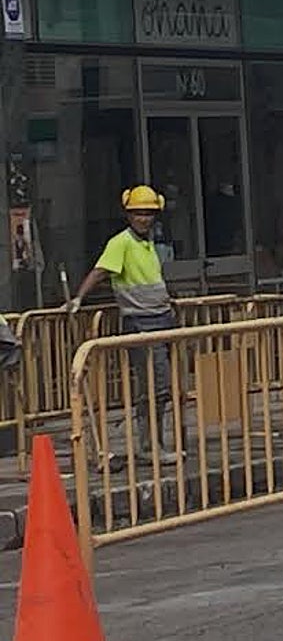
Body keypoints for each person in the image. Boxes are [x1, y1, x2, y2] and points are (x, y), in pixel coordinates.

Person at [67, 185, 179, 464]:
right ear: (128, 214)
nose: (144, 218)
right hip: (141, 323)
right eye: (138, 213)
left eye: (149, 213)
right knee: (154, 386)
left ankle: (155, 444)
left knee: (163, 388)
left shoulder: (149, 244)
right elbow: (100, 271)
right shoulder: (121, 242)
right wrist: (79, 298)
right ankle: (149, 447)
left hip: (162, 319)